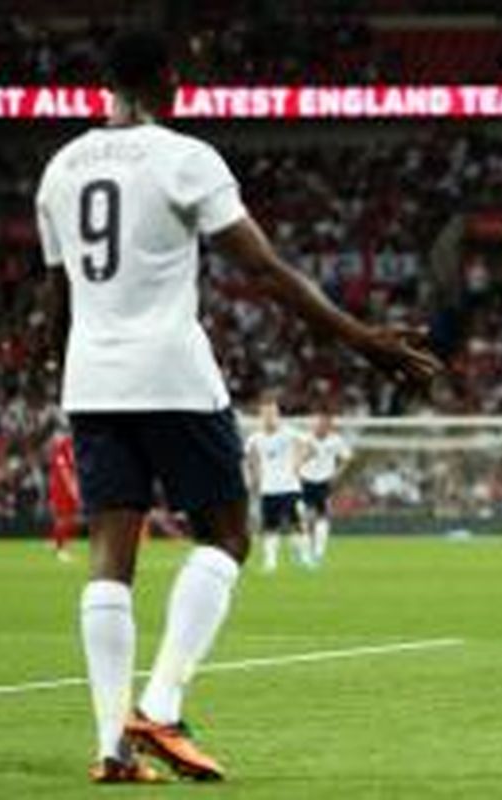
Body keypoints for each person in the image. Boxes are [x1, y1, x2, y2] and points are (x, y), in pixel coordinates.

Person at [34, 30, 441, 784]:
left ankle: (111, 750)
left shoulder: (59, 170)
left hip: (92, 383)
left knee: (109, 557)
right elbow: (266, 270)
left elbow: (57, 302)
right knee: (226, 535)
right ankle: (159, 703)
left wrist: (69, 383)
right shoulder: (186, 157)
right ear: (165, 81)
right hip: (172, 376)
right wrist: (362, 339)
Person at [243, 391, 303, 572]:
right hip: (268, 488)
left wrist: (297, 464)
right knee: (270, 527)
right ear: (261, 416)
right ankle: (270, 562)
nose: (269, 417)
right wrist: (255, 478)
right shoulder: (255, 438)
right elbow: (250, 458)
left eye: (272, 413)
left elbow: (306, 446)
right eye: (266, 414)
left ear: (278, 414)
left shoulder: (288, 433)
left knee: (295, 524)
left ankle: (301, 557)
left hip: (290, 487)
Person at [296, 413, 352, 569]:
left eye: (324, 424)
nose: (320, 427)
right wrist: (299, 466)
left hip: (324, 483)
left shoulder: (336, 441)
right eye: (318, 423)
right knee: (304, 518)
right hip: (305, 481)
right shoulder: (305, 439)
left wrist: (337, 474)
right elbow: (297, 457)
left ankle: (318, 553)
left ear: (329, 426)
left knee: (322, 517)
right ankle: (305, 553)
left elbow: (347, 458)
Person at [47, 424, 81, 562]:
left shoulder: (70, 445)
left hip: (64, 486)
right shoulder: (63, 447)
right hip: (62, 488)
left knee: (67, 517)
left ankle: (58, 542)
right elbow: (64, 469)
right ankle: (61, 549)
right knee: (65, 517)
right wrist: (72, 486)